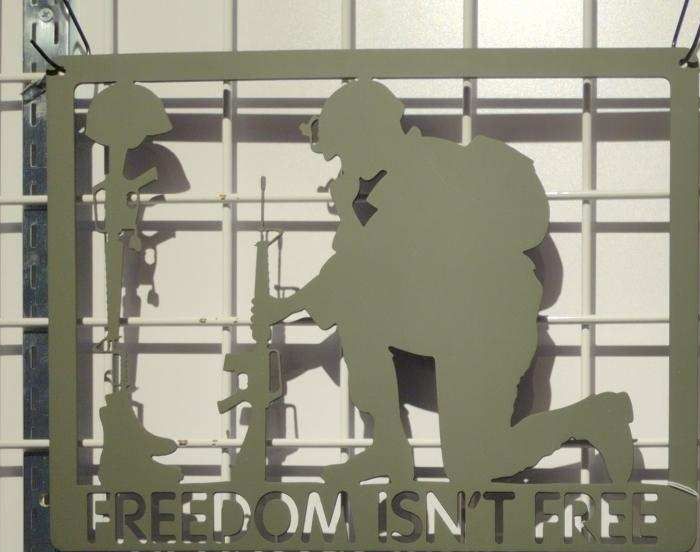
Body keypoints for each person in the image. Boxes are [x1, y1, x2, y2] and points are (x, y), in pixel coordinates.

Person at [265, 79, 635, 489]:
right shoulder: (411, 174)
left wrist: (285, 306)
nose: (344, 166)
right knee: (358, 313)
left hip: (488, 330)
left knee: (476, 466)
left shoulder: (424, 177)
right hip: (459, 324)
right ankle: (389, 447)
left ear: (369, 134)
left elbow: (356, 268)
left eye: (346, 153)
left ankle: (594, 419)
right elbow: (360, 275)